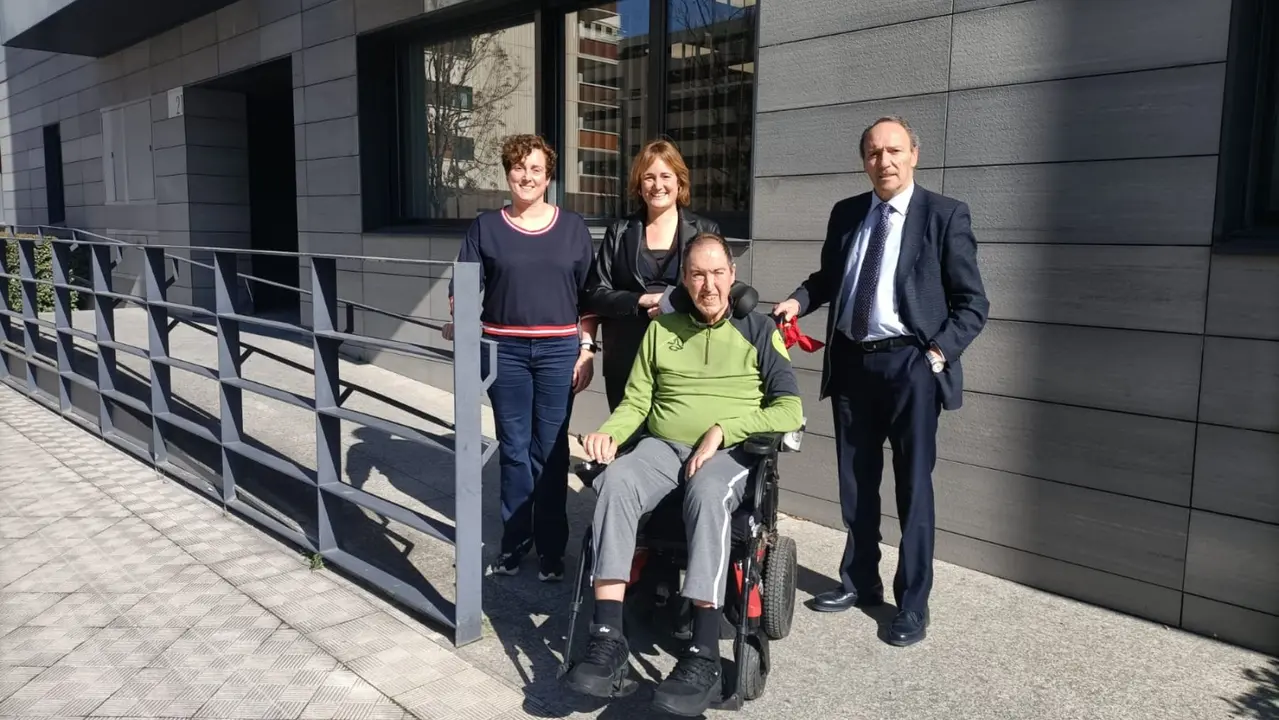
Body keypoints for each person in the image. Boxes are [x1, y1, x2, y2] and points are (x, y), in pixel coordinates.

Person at [773, 115, 989, 647]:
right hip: (851, 363)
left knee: (913, 488)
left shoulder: (944, 215)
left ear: (914, 153)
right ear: (863, 160)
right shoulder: (848, 213)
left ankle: (912, 603)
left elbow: (973, 303)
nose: (883, 161)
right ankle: (860, 580)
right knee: (856, 482)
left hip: (911, 366)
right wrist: (797, 301)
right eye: (873, 153)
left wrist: (936, 354)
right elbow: (829, 278)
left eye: (894, 150)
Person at [566, 233, 803, 717]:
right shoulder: (661, 329)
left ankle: (703, 653)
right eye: (697, 274)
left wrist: (724, 429)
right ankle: (607, 638)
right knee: (616, 481)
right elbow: (636, 402)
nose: (708, 284)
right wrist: (609, 434)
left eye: (718, 273)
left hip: (731, 452)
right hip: (663, 445)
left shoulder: (758, 329)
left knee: (708, 491)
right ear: (684, 280)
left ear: (733, 277)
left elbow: (790, 408)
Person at [443, 134, 599, 582]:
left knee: (549, 452)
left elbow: (589, 298)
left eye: (536, 169)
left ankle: (551, 549)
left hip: (557, 351)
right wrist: (462, 318)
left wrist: (586, 349)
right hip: (504, 351)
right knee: (513, 450)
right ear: (508, 173)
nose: (527, 176)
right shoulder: (486, 227)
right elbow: (463, 285)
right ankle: (514, 544)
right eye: (518, 168)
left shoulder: (572, 228)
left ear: (549, 176)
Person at [584, 139, 721, 411]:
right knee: (628, 444)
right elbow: (595, 295)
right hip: (627, 359)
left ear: (679, 182)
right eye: (649, 177)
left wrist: (676, 302)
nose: (657, 185)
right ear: (639, 184)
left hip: (687, 357)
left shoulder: (704, 230)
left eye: (665, 176)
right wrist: (639, 301)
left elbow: (717, 291)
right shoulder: (620, 232)